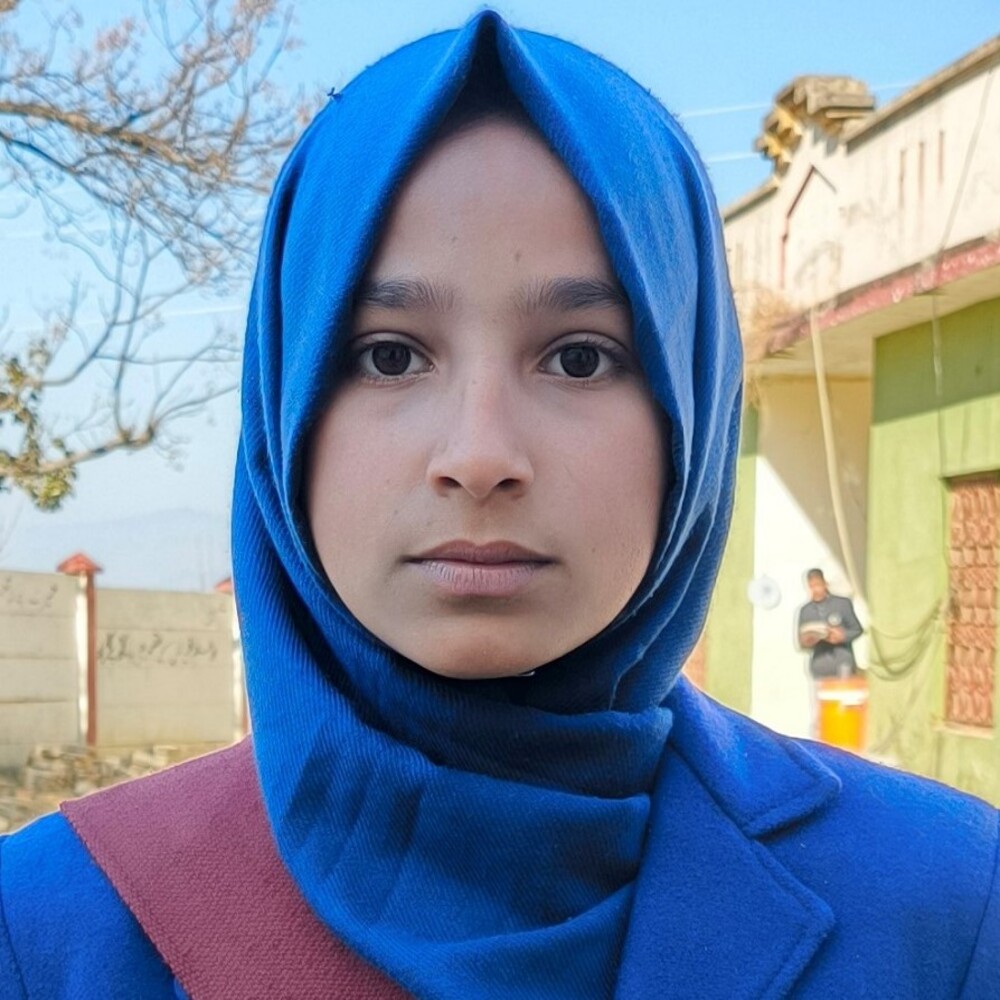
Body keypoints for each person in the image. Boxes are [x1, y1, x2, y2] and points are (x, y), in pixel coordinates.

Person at [1, 12, 997, 999]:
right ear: (284, 408)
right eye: (389, 355)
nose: (479, 457)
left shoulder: (946, 906)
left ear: (690, 412)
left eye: (581, 358)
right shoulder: (52, 931)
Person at [797, 568, 864, 680]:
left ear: (825, 584)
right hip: (819, 665)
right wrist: (808, 640)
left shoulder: (842, 604)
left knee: (844, 690)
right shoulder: (805, 611)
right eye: (811, 586)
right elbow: (801, 643)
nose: (815, 590)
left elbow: (857, 630)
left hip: (842, 662)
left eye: (817, 585)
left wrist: (843, 636)